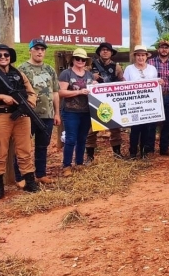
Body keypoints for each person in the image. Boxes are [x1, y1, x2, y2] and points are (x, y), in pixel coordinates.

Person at [0, 44, 40, 198]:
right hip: (1, 116)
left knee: (25, 150)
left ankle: (30, 182)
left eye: (6, 55)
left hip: (22, 116)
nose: (3, 57)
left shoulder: (19, 73)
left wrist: (28, 105)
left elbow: (32, 93)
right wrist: (1, 97)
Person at [12, 38, 61, 187]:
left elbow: (55, 92)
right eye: (37, 49)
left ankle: (41, 174)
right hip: (27, 115)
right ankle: (20, 176)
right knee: (23, 146)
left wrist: (57, 113)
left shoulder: (50, 69)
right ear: (30, 50)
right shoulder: (22, 69)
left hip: (47, 115)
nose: (40, 52)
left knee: (42, 146)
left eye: (42, 49)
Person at [58, 48, 95, 176]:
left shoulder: (89, 75)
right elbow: (61, 92)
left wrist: (96, 86)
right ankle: (66, 165)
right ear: (73, 60)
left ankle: (79, 163)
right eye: (78, 59)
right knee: (71, 138)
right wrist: (79, 92)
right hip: (70, 111)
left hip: (86, 111)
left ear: (86, 61)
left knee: (82, 138)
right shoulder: (66, 74)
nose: (80, 61)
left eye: (83, 59)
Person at [86, 42, 124, 160]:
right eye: (103, 50)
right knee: (91, 129)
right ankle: (90, 156)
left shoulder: (116, 67)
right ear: (99, 52)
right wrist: (92, 78)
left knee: (115, 128)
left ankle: (117, 153)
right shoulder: (90, 65)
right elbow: (82, 79)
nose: (105, 51)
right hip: (95, 101)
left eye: (108, 50)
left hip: (111, 100)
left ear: (111, 53)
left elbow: (122, 81)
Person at [123, 45, 161, 160]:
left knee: (147, 129)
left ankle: (144, 151)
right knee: (135, 129)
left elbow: (155, 84)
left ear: (146, 57)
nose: (141, 58)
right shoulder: (129, 69)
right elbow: (124, 85)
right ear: (135, 56)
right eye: (138, 55)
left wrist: (159, 83)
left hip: (148, 104)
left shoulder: (152, 69)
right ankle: (133, 152)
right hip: (134, 104)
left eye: (143, 55)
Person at [147, 40, 169, 156]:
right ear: (158, 49)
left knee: (168, 123)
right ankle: (149, 149)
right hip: (153, 97)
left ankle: (164, 148)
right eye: (162, 47)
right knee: (151, 123)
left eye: (166, 48)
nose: (164, 50)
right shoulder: (150, 63)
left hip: (168, 95)